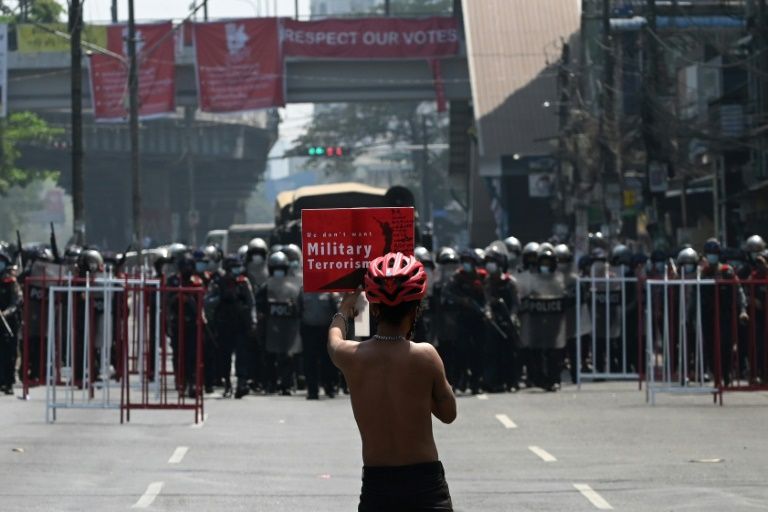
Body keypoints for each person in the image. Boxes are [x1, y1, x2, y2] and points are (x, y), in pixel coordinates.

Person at [328, 252, 455, 511]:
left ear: (373, 308)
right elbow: (448, 413)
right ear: (416, 309)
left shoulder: (352, 357)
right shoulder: (426, 356)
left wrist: (344, 309)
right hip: (426, 487)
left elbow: (334, 341)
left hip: (378, 487)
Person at [0, 250, 22, 395]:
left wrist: (5, 313)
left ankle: (8, 382)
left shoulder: (11, 283)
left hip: (9, 323)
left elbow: (16, 302)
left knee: (9, 352)